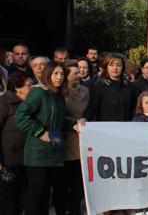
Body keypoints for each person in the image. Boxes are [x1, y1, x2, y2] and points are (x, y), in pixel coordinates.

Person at [15, 61, 83, 215]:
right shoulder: (38, 93)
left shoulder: (58, 95)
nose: (59, 77)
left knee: (46, 194)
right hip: (38, 153)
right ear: (47, 75)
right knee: (36, 193)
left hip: (54, 151)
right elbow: (21, 116)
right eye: (55, 74)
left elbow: (58, 120)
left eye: (61, 74)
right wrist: (39, 132)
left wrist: (73, 123)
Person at [58, 60, 89, 215]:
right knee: (62, 183)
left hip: (80, 141)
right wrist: (73, 123)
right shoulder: (59, 91)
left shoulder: (85, 90)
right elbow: (57, 115)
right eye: (75, 73)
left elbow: (88, 111)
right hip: (63, 140)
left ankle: (75, 210)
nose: (79, 74)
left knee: (78, 182)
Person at [0, 71, 33, 215]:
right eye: (28, 85)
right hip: (7, 162)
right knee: (6, 201)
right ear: (17, 87)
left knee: (21, 199)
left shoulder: (31, 102)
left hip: (26, 158)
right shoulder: (4, 102)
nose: (32, 87)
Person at [83, 53, 137, 122]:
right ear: (106, 67)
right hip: (106, 128)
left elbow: (134, 108)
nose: (115, 68)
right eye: (112, 65)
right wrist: (85, 118)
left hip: (125, 128)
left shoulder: (130, 87)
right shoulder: (99, 86)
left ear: (122, 67)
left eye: (118, 65)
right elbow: (93, 107)